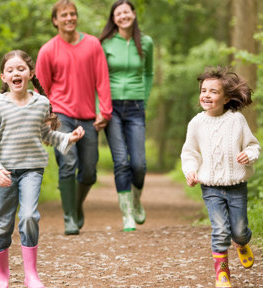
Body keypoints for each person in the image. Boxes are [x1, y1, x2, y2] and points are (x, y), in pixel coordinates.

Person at [0, 50, 85, 288]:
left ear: (29, 73)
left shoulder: (41, 103)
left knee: (29, 216)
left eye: (20, 69)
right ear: (3, 77)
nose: (16, 73)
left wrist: (68, 138)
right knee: (2, 225)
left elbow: (45, 134)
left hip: (32, 169)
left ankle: (31, 274)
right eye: (10, 70)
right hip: (5, 172)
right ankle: (2, 274)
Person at [36, 0, 113, 235]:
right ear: (55, 21)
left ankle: (76, 205)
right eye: (64, 15)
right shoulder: (48, 50)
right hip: (61, 116)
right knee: (68, 163)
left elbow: (102, 79)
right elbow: (41, 88)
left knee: (89, 170)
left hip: (88, 116)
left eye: (72, 14)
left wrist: (105, 111)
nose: (69, 18)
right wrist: (47, 118)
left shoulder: (92, 45)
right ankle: (69, 217)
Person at [181, 66, 259, 288]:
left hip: (236, 186)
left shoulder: (236, 120)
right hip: (211, 187)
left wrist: (249, 155)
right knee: (220, 230)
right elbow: (190, 152)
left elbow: (253, 145)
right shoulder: (196, 123)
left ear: (226, 98)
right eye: (203, 90)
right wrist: (190, 171)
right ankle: (222, 274)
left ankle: (242, 243)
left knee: (239, 231)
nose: (206, 95)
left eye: (213, 91)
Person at [99, 0, 154, 231]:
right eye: (118, 13)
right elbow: (98, 77)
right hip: (111, 108)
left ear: (133, 14)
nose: (123, 16)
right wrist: (99, 108)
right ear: (113, 18)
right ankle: (127, 214)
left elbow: (149, 73)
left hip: (135, 107)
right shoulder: (106, 44)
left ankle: (136, 199)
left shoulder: (147, 42)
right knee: (121, 161)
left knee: (139, 164)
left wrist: (144, 97)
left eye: (126, 12)